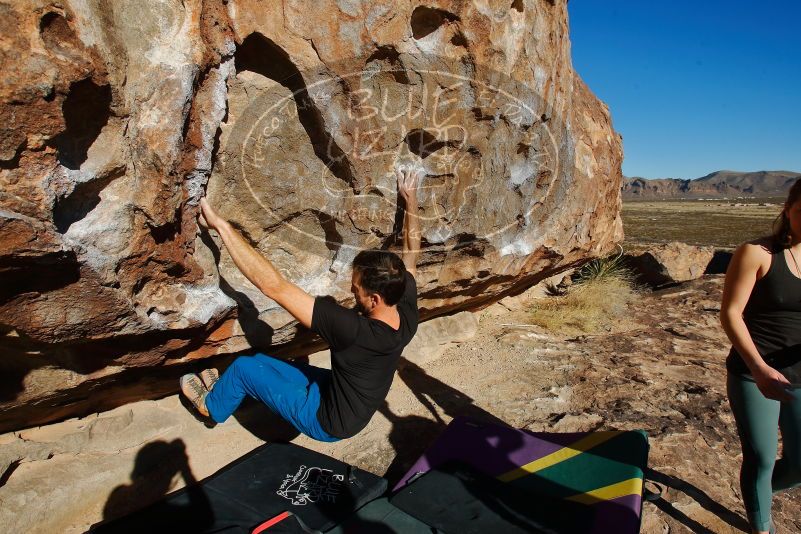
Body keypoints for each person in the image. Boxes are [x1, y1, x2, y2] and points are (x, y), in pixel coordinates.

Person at [180, 168, 422, 441]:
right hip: (342, 398)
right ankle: (225, 390)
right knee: (260, 361)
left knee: (243, 369)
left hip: (326, 422)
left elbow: (273, 286)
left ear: (374, 299)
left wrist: (221, 226)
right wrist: (410, 198)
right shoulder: (405, 308)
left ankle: (210, 408)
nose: (351, 290)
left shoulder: (353, 330)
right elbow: (412, 252)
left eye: (356, 289)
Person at [720, 178, 801, 534]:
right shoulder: (758, 253)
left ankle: (758, 494)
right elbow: (731, 313)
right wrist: (759, 367)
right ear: (788, 210)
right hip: (755, 373)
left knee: (800, 465)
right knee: (763, 457)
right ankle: (761, 525)